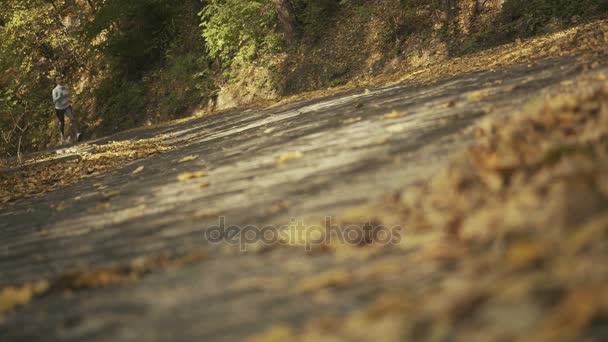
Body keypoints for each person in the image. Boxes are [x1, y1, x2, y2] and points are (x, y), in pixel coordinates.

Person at [52, 76, 81, 144]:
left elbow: (67, 96)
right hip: (59, 108)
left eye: (61, 79)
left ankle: (77, 134)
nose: (60, 80)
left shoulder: (66, 88)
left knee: (72, 119)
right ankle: (62, 139)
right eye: (58, 79)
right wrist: (59, 96)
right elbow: (54, 101)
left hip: (66, 106)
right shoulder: (55, 90)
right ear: (56, 81)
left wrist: (69, 100)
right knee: (62, 123)